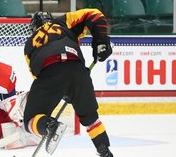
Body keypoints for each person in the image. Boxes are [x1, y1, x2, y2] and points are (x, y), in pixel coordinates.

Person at [23, 10, 113, 156]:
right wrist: (101, 41)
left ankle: (49, 126)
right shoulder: (63, 22)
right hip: (78, 70)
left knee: (29, 120)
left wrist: (62, 89)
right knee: (90, 117)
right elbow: (95, 14)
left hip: (50, 71)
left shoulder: (29, 44)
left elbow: (36, 73)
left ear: (34, 27)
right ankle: (104, 150)